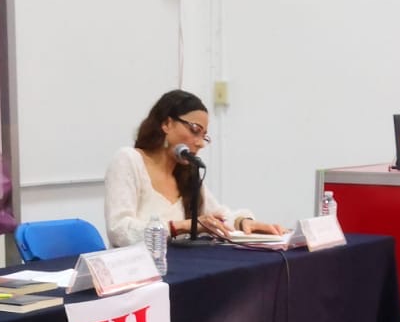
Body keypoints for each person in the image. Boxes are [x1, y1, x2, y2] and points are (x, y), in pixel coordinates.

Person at [102, 90, 284, 246]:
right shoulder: (129, 160)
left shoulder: (187, 172)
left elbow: (216, 216)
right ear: (167, 124)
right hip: (137, 273)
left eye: (204, 136)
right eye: (195, 130)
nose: (200, 143)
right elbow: (119, 230)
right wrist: (180, 226)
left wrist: (241, 222)